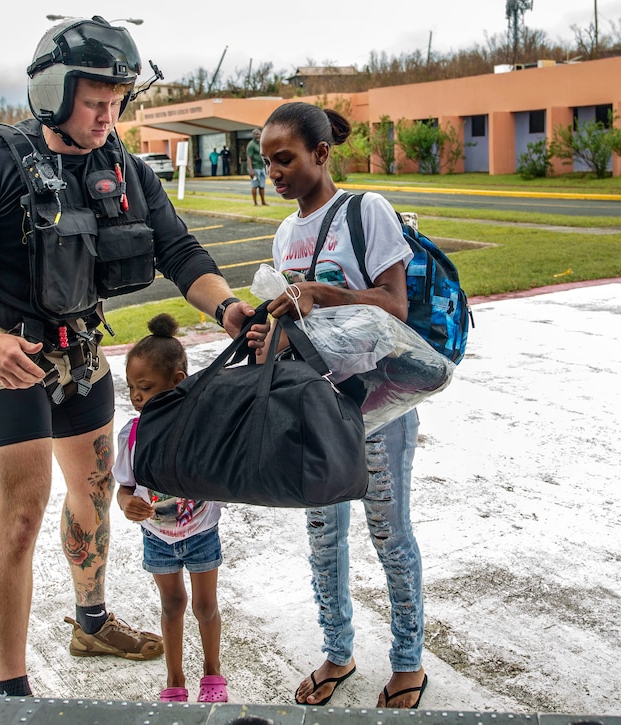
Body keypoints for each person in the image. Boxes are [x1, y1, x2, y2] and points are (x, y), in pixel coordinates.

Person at [0, 16, 264, 698]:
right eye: (96, 101)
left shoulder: (124, 169)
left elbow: (179, 250)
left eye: (118, 102)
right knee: (21, 512)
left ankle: (92, 620)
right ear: (53, 91)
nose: (110, 116)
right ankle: (13, 695)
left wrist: (228, 309)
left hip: (82, 355)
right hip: (5, 355)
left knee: (96, 494)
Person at [260, 102, 428, 710]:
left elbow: (396, 305)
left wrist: (323, 293)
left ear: (321, 154)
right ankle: (338, 650)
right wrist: (268, 335)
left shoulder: (365, 211)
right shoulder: (284, 234)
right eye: (267, 162)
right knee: (324, 539)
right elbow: (303, 327)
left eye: (285, 159)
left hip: (378, 406)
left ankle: (408, 661)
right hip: (315, 408)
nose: (274, 173)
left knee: (389, 534)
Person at [114, 314, 228, 704]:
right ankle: (175, 679)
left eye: (145, 387)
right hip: (158, 539)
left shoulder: (202, 426)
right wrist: (127, 504)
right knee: (172, 605)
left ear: (177, 381)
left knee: (205, 605)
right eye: (131, 388)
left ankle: (213, 675)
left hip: (200, 534)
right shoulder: (132, 433)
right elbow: (125, 487)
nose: (136, 397)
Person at [246, 128, 268, 206]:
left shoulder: (261, 144)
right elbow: (249, 158)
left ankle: (263, 202)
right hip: (254, 168)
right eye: (256, 134)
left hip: (261, 167)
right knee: (254, 185)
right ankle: (255, 203)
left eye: (259, 134)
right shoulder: (251, 145)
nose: (257, 136)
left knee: (262, 185)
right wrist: (251, 170)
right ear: (253, 135)